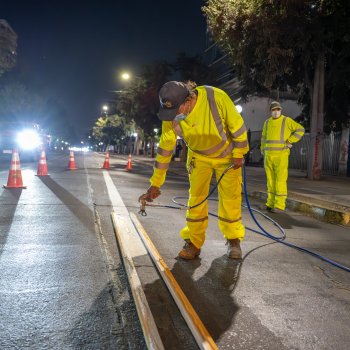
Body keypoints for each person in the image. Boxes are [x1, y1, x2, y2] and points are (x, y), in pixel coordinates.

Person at [139, 81, 249, 260]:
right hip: (198, 157)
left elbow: (237, 126)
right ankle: (194, 242)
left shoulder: (216, 97)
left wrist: (239, 152)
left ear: (188, 100)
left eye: (176, 110)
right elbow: (165, 150)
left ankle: (233, 239)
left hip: (227, 158)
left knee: (231, 198)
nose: (174, 115)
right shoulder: (172, 116)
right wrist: (155, 184)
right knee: (196, 199)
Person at [261, 101, 305, 213]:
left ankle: (279, 205)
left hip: (281, 155)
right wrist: (263, 150)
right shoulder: (266, 123)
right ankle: (270, 204)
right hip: (268, 156)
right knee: (270, 181)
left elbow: (300, 130)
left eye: (278, 109)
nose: (276, 112)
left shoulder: (287, 121)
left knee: (280, 181)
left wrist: (290, 141)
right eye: (273, 109)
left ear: (281, 110)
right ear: (270, 111)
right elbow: (263, 137)